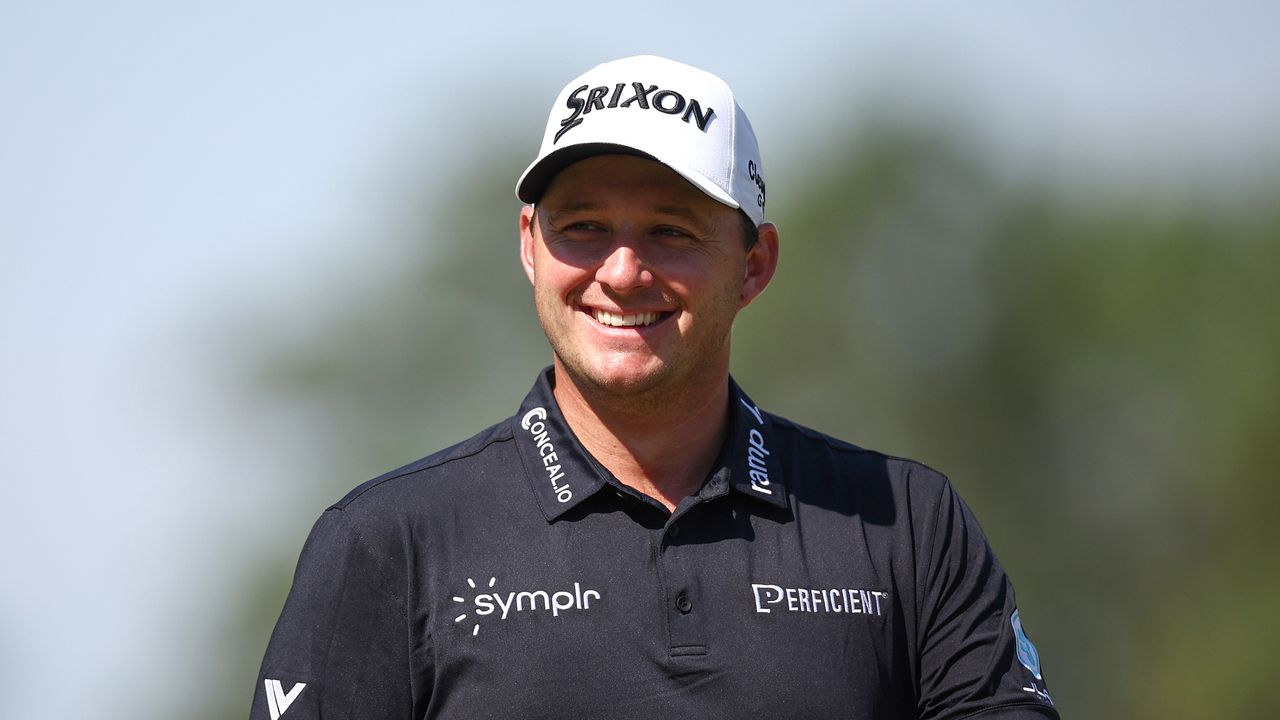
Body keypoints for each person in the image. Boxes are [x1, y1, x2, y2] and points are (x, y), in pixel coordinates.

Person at [251, 55, 1059, 720]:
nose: (623, 271)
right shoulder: (389, 539)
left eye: (670, 231)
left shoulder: (906, 524)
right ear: (531, 244)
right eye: (584, 227)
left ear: (754, 266)